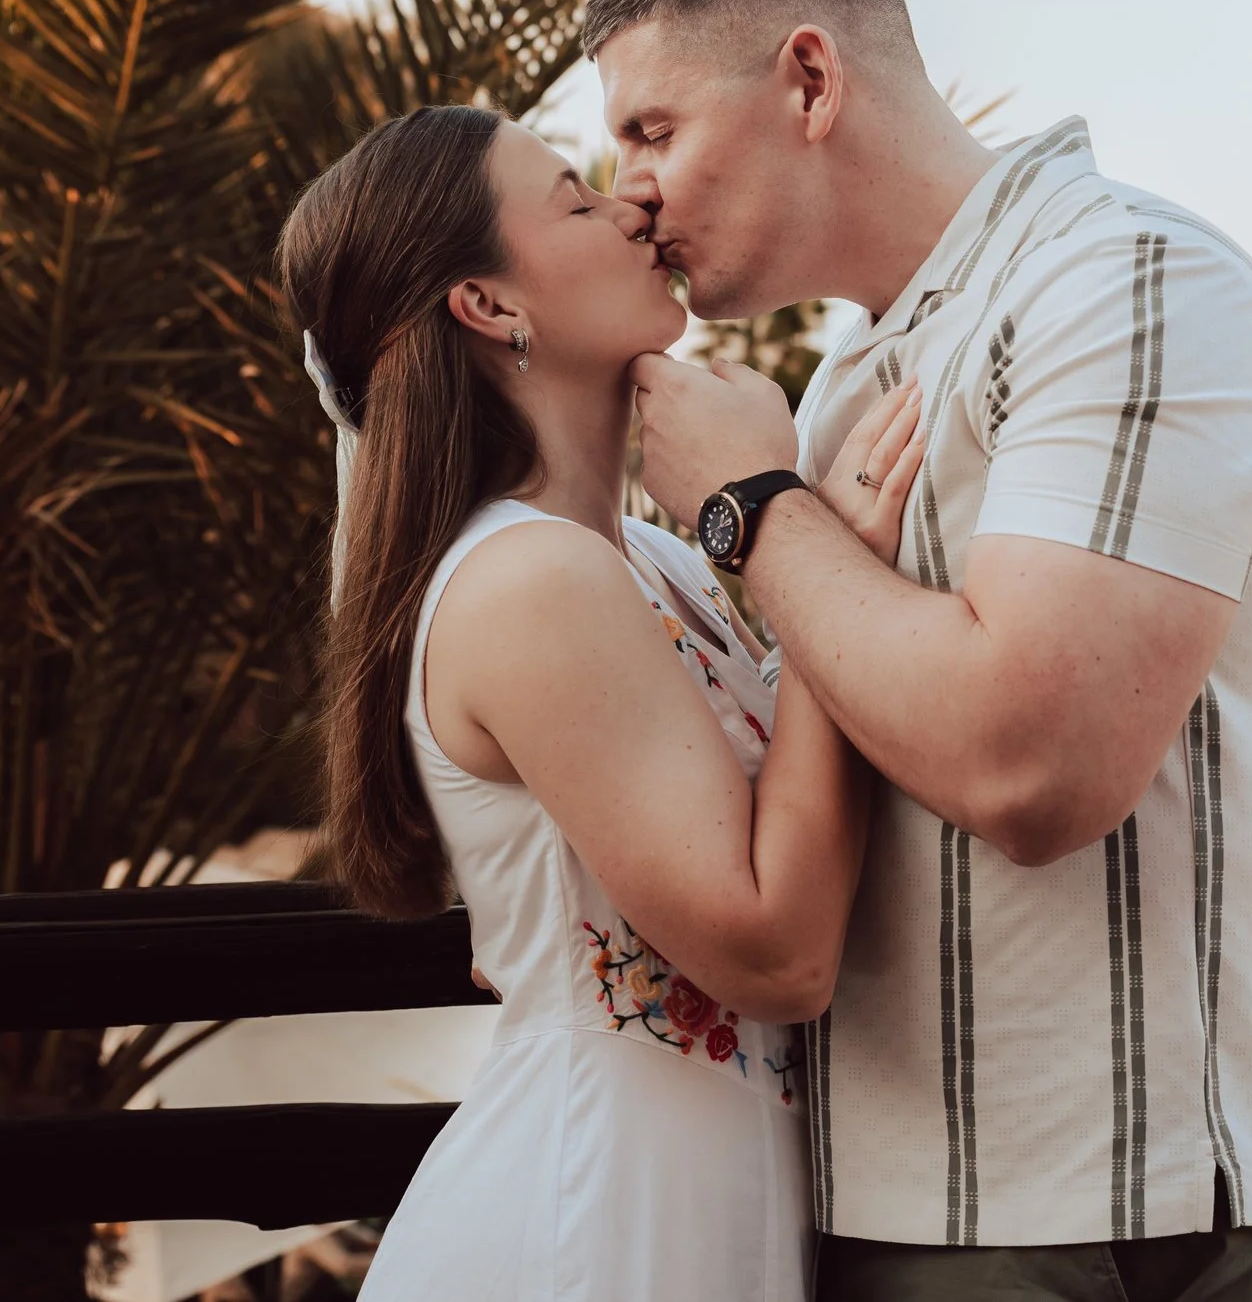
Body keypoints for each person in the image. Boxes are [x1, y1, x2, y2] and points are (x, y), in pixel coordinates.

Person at [604, 0, 1252, 1300]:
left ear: (809, 79)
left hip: (1119, 1215)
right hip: (899, 1198)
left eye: (653, 128)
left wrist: (755, 511)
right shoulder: (831, 392)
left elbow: (1035, 764)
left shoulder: (1125, 282)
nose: (630, 185)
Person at [279, 106, 926, 1300]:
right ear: (489, 304)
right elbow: (775, 955)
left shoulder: (653, 558)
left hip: (701, 1193)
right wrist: (822, 558)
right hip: (596, 1222)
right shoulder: (529, 578)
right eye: (574, 199)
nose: (631, 203)